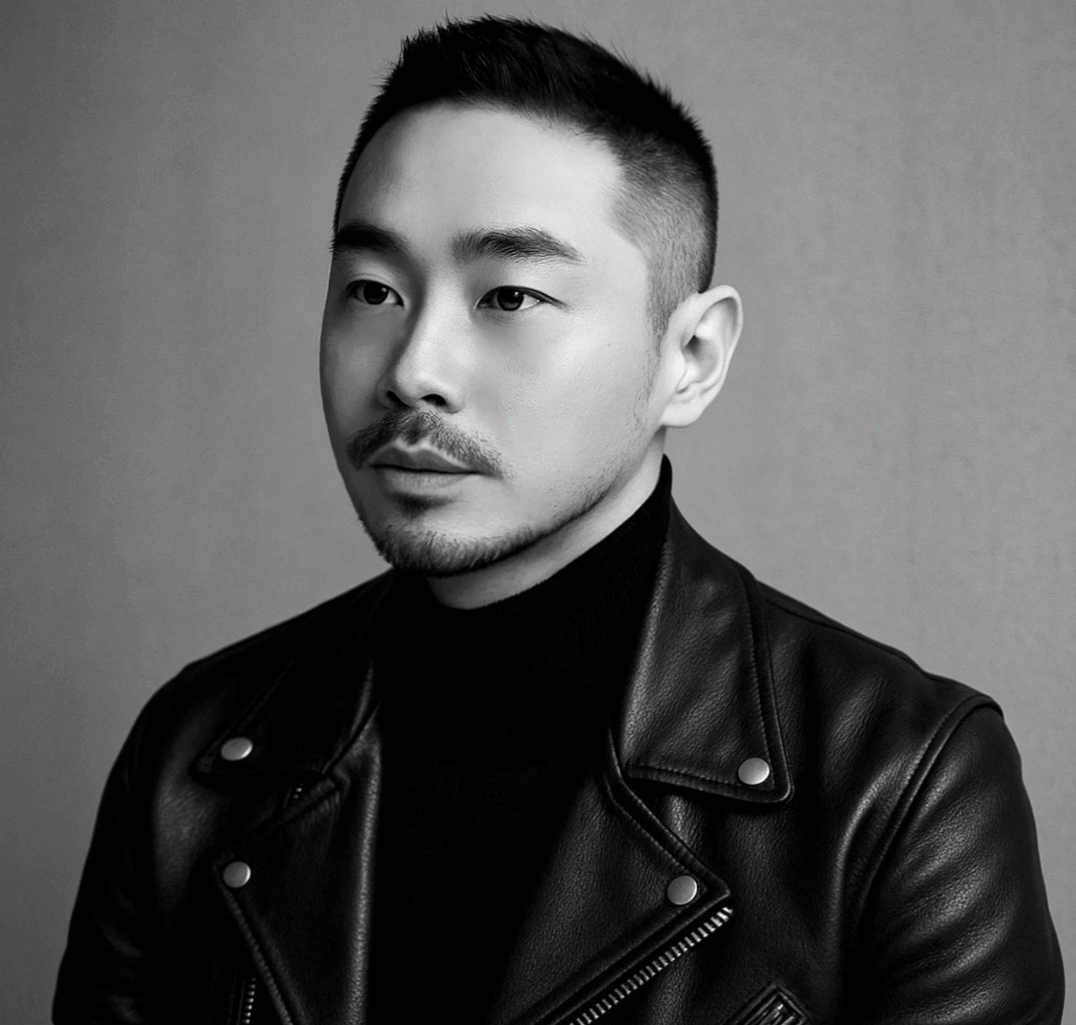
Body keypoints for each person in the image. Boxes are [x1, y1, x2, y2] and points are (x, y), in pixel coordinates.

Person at [53, 14, 1064, 1025]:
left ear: (690, 358)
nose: (413, 370)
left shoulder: (901, 785)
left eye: (509, 296)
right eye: (372, 289)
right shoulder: (194, 757)